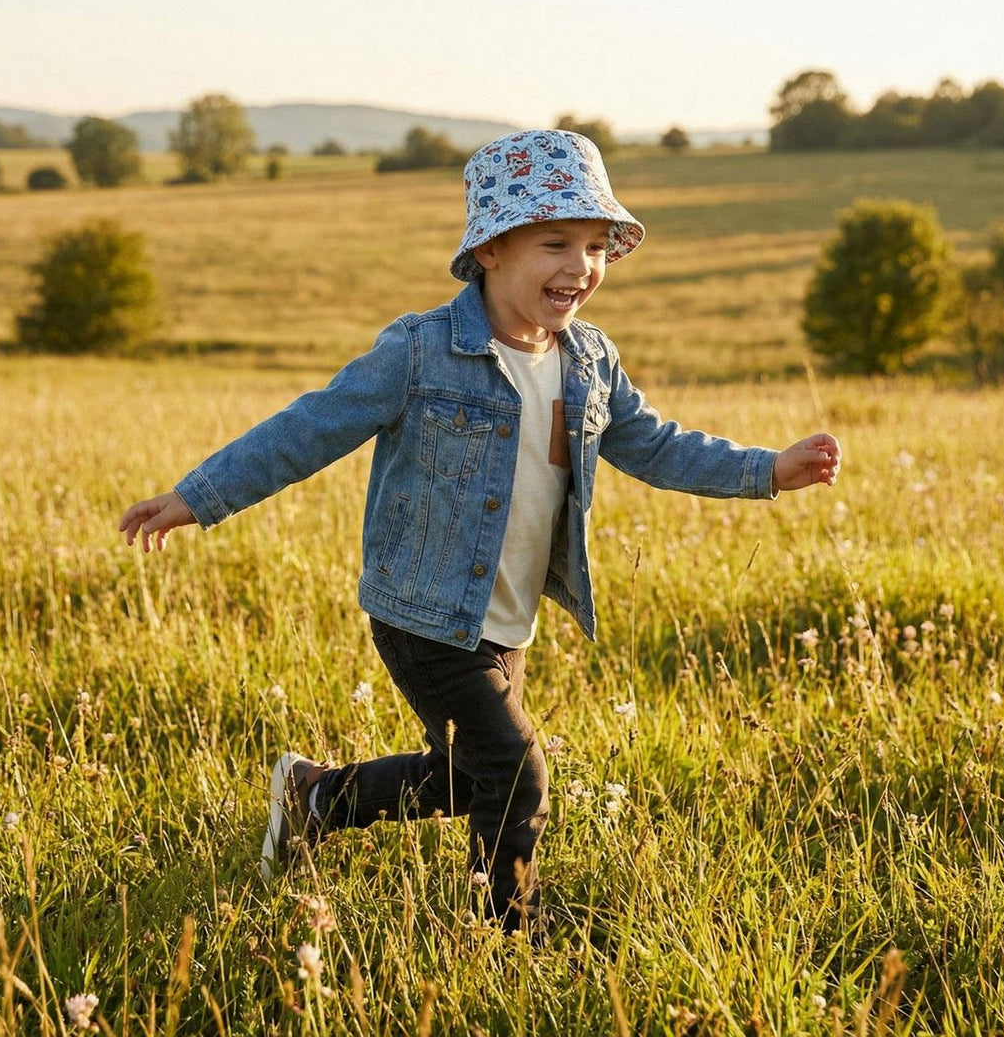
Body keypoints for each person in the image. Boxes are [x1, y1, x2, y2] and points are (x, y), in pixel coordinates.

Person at [120, 129, 840, 937]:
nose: (582, 266)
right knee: (517, 771)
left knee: (468, 775)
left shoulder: (589, 361)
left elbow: (658, 445)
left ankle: (316, 797)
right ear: (493, 248)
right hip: (423, 611)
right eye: (556, 242)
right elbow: (311, 426)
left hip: (507, 620)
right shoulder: (423, 351)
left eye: (598, 246)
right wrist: (198, 496)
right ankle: (501, 934)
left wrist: (765, 470)